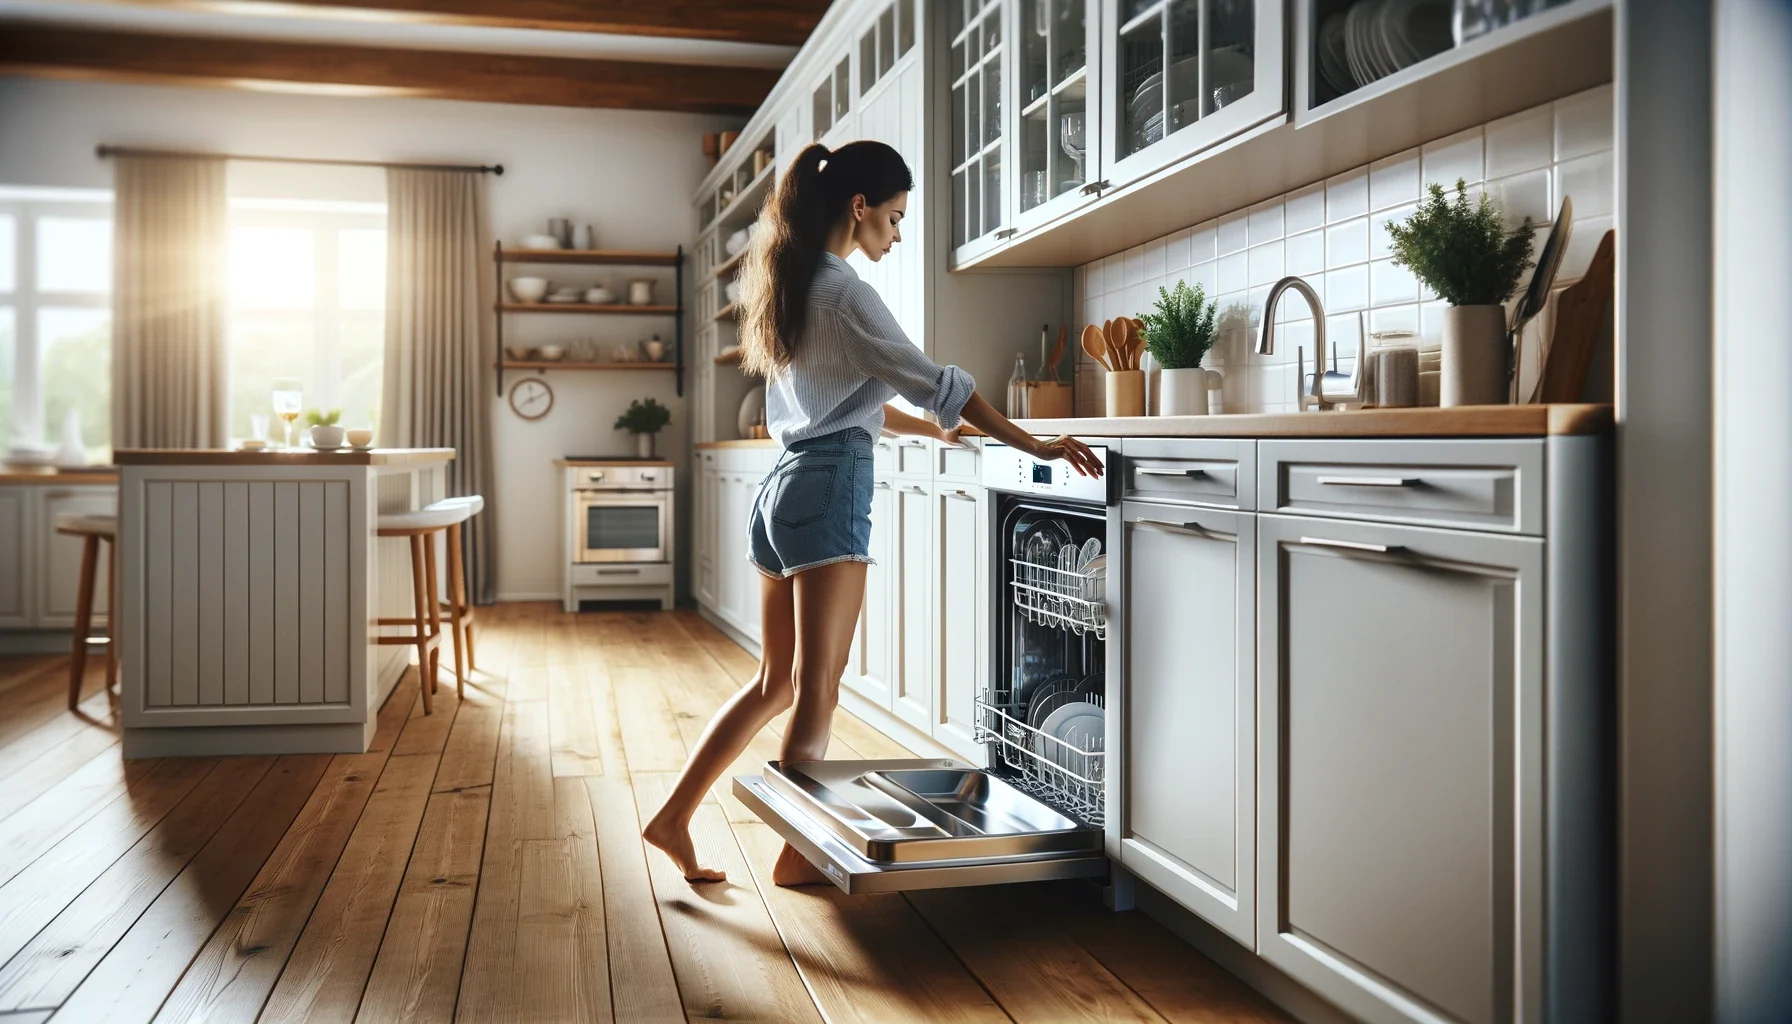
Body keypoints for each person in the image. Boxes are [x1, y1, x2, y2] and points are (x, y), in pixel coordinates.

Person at [642, 140, 1101, 885]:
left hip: (783, 493)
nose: (892, 237)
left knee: (776, 683)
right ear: (858, 208)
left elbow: (860, 403)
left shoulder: (792, 284)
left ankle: (672, 817)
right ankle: (797, 858)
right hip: (829, 490)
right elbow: (936, 382)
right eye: (891, 219)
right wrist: (1035, 443)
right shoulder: (845, 291)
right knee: (819, 686)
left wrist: (941, 431)